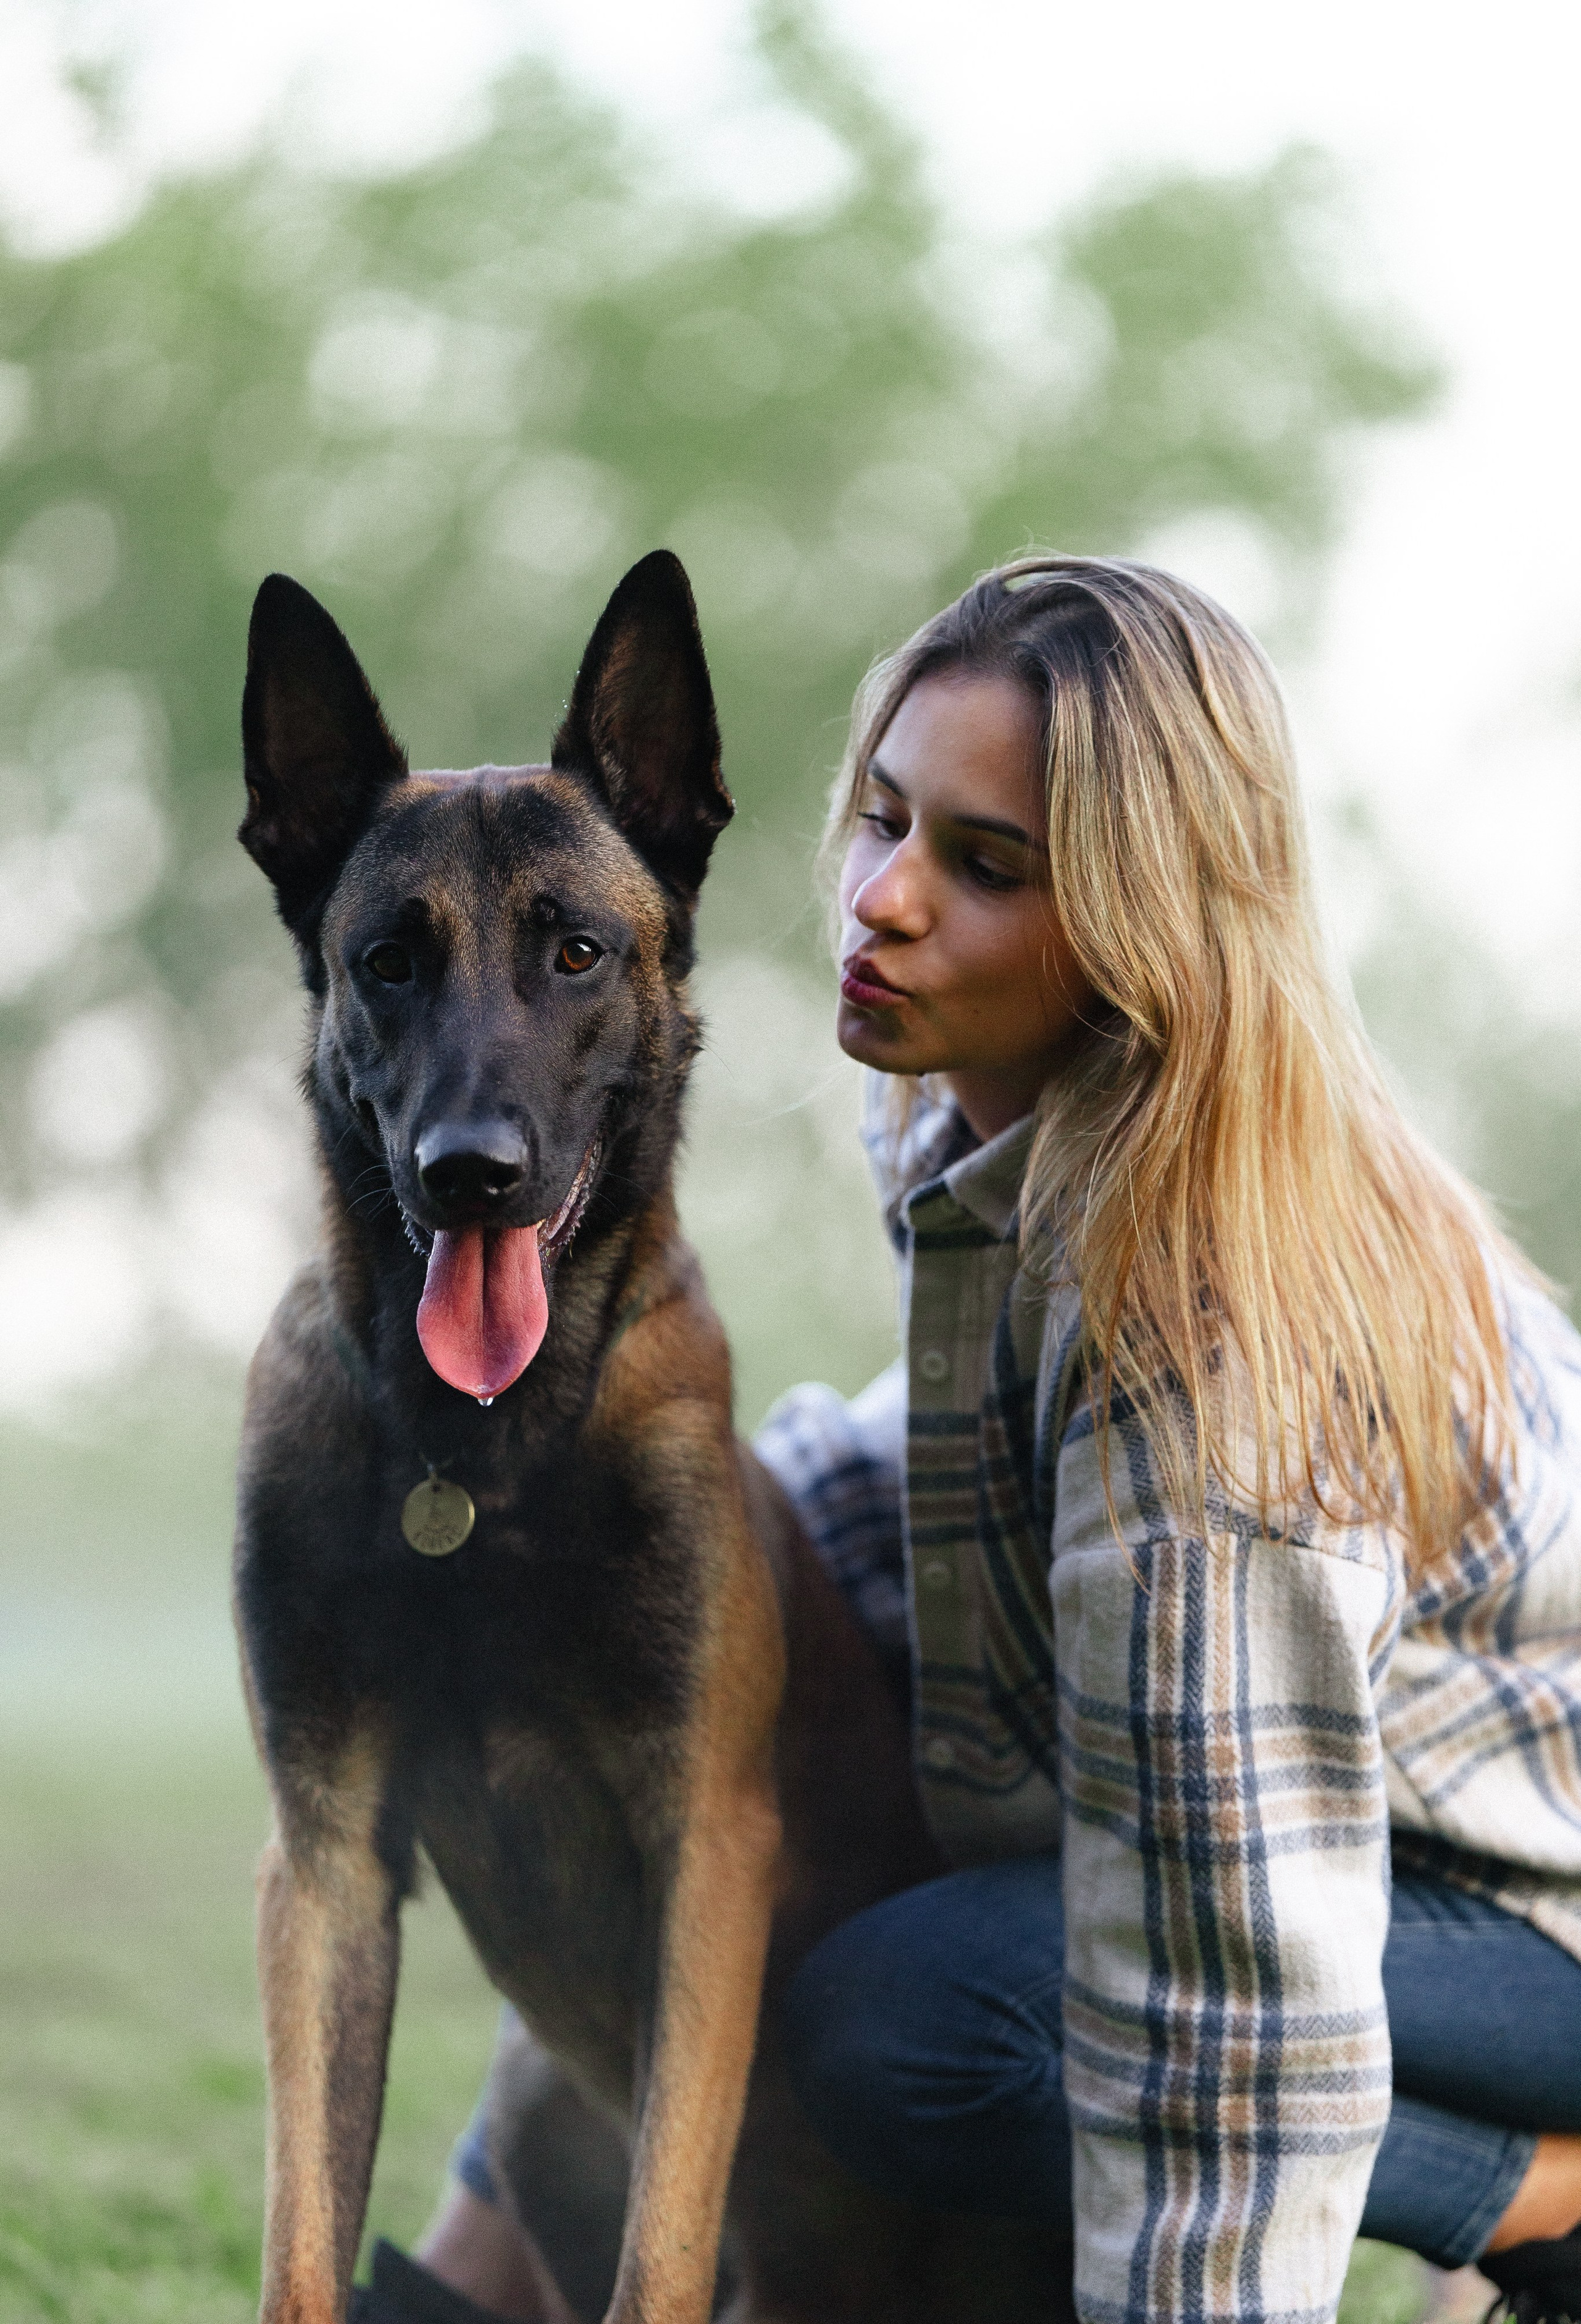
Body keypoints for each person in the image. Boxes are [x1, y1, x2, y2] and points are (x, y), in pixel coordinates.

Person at [361, 557, 1581, 2324]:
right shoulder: (963, 1105)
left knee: (921, 2028)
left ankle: (1546, 2198)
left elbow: (1248, 1991)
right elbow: (966, 1463)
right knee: (687, 1622)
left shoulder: (1218, 1356)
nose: (884, 900)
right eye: (882, 817)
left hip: (1533, 1892)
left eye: (984, 867)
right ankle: (484, 2285)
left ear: (1145, 925)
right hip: (1375, 1814)